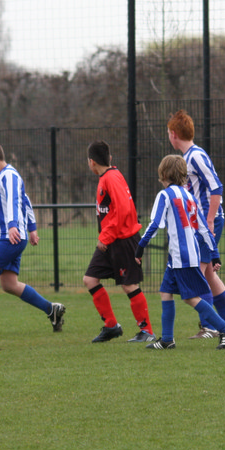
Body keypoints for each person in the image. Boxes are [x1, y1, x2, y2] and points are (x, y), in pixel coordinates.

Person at [0, 141, 65, 336]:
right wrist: (32, 228)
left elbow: (13, 201)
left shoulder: (8, 175)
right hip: (9, 236)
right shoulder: (2, 177)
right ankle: (51, 310)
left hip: (9, 238)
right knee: (9, 284)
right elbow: (25, 200)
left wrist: (12, 225)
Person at [137, 155, 225, 350]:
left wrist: (140, 246)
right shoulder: (189, 196)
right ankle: (167, 340)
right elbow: (204, 228)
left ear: (163, 173)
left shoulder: (165, 195)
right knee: (166, 292)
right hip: (185, 255)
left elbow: (155, 224)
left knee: (190, 298)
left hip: (181, 257)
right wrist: (214, 253)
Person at [167, 110, 225, 338]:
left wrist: (209, 220)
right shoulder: (189, 157)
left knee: (197, 274)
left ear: (174, 134)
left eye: (168, 133)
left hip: (207, 223)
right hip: (201, 224)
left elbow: (216, 187)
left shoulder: (195, 156)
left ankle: (210, 327)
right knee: (208, 273)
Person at [83, 141, 154, 343]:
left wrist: (105, 237)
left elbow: (122, 211)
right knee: (90, 279)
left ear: (91, 162)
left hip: (123, 240)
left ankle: (147, 331)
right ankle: (111, 326)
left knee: (129, 285)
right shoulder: (107, 177)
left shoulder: (111, 178)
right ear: (110, 158)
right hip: (110, 241)